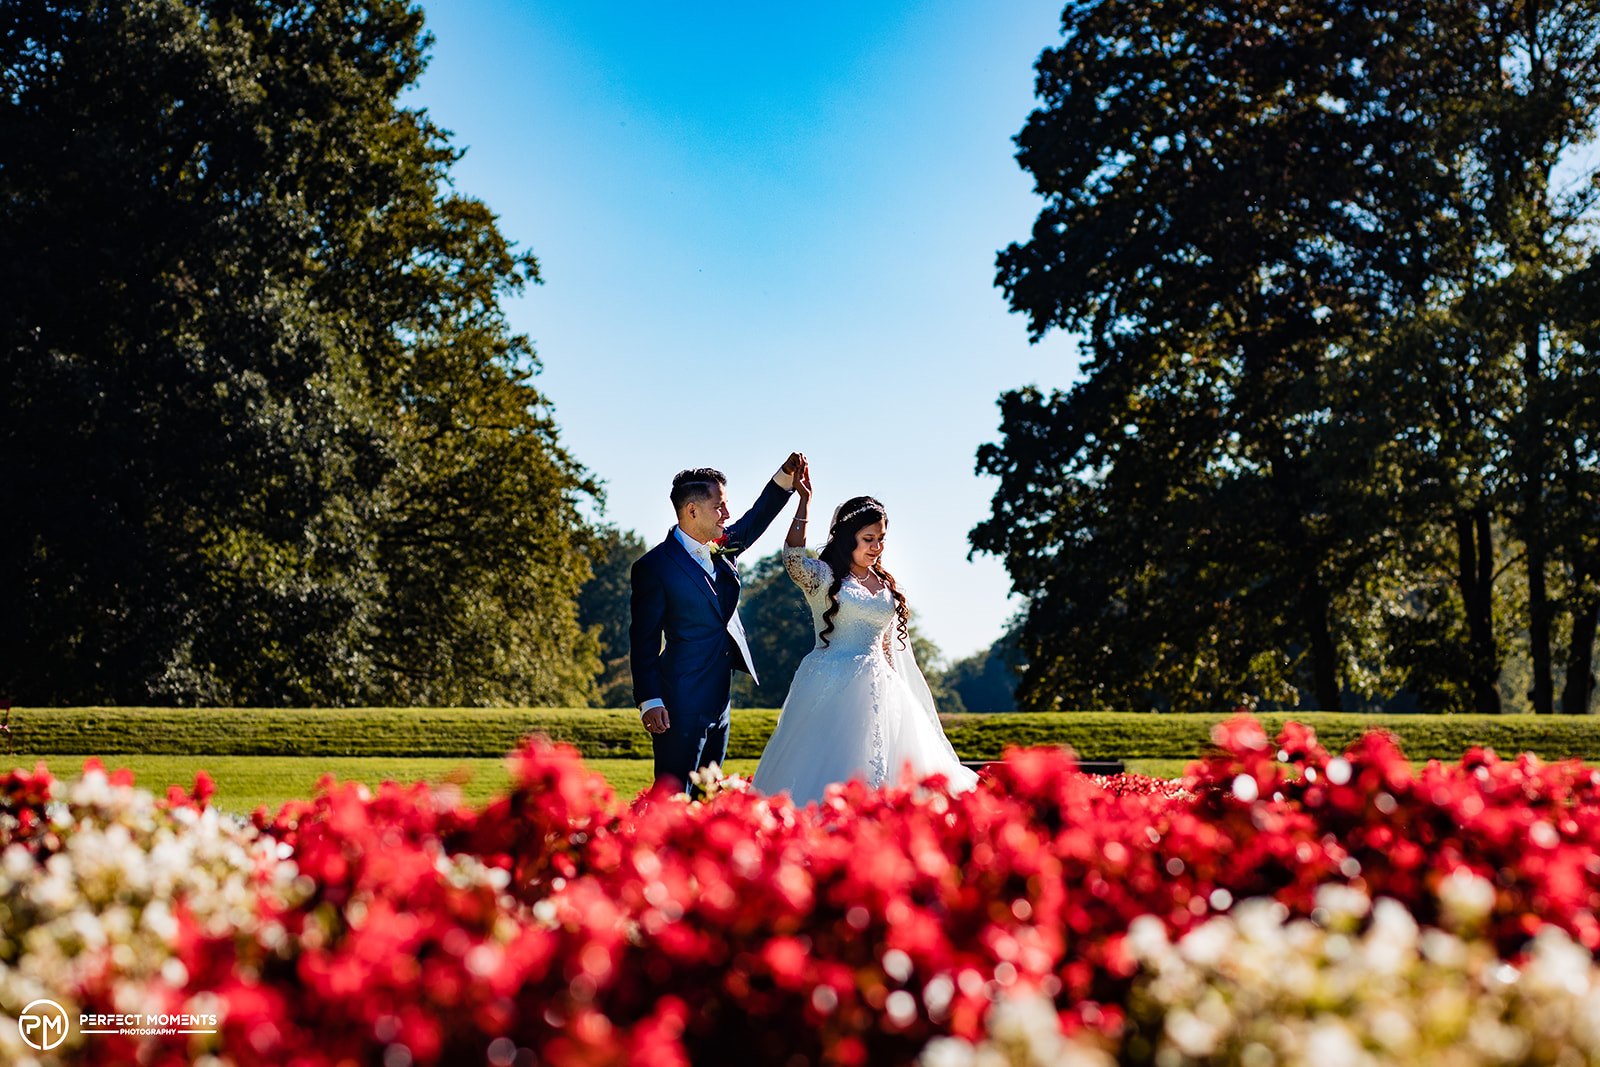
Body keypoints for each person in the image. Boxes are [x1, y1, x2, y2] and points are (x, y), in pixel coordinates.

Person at [751, 475, 979, 805]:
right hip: (831, 685)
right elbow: (793, 559)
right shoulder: (824, 577)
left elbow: (887, 646)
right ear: (847, 538)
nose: (876, 546)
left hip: (884, 689)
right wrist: (804, 502)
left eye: (881, 539)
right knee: (832, 767)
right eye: (868, 538)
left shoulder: (884, 581)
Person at [630, 456, 805, 792]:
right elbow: (643, 638)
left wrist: (785, 477)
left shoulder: (722, 547)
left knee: (707, 799)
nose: (726, 514)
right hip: (677, 702)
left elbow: (755, 520)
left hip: (720, 702)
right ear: (692, 510)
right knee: (672, 799)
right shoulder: (653, 566)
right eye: (720, 506)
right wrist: (650, 699)